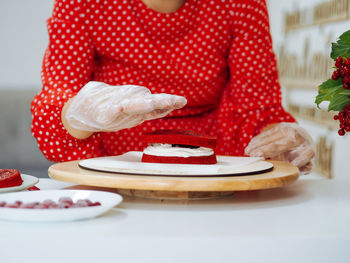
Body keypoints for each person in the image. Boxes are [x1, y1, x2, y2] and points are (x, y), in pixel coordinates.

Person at [31, 0, 315, 173]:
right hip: (111, 168)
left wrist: (277, 141)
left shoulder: (239, 2)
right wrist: (81, 112)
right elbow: (61, 95)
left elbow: (257, 106)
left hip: (213, 170)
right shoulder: (83, 3)